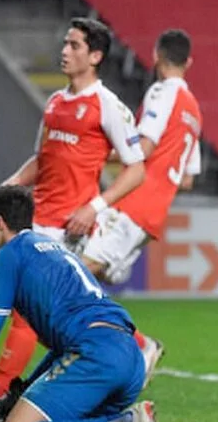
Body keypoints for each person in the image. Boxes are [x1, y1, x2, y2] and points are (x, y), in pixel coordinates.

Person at [0, 17, 160, 422]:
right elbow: (41, 160)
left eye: (75, 45)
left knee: (26, 309)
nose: (65, 51)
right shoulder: (54, 103)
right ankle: (138, 344)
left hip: (71, 225)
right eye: (65, 43)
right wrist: (9, 185)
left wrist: (94, 207)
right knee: (44, 309)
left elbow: (136, 169)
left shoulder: (108, 106)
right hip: (36, 217)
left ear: (95, 56)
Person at [0, 185, 176, 422]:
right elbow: (64, 348)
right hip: (128, 359)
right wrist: (22, 393)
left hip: (95, 357)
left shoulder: (10, 256)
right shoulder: (55, 251)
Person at [79, 28, 202, 297]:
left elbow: (143, 148)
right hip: (153, 215)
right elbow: (187, 179)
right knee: (92, 278)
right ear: (188, 62)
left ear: (156, 56)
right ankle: (136, 340)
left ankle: (137, 342)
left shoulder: (162, 92)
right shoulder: (194, 111)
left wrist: (94, 153)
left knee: (71, 272)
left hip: (132, 203)